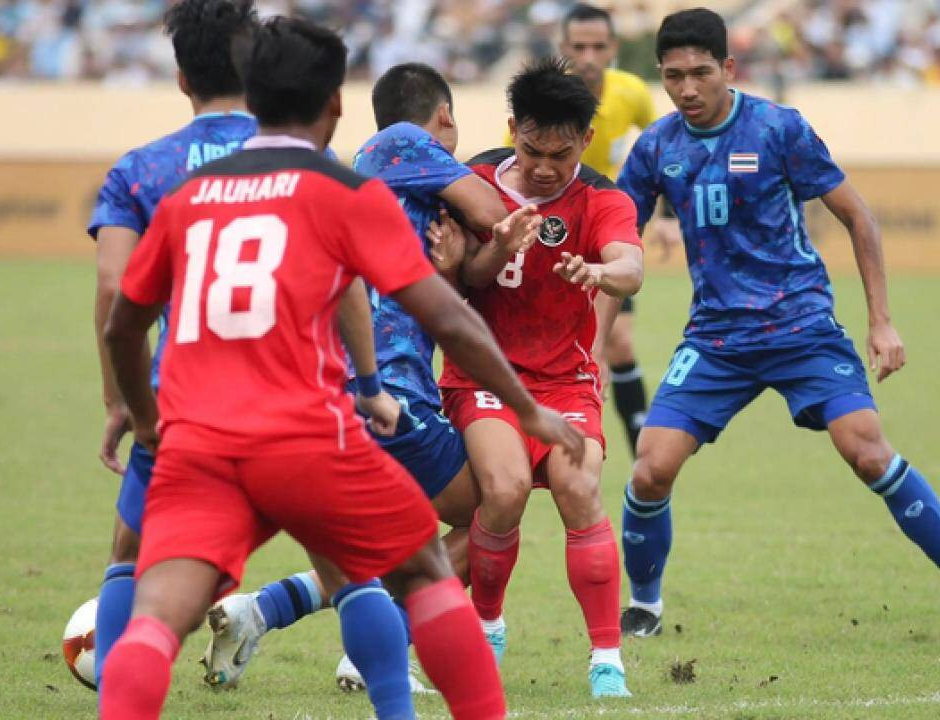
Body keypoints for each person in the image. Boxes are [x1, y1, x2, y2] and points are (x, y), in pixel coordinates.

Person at [99, 16, 585, 720]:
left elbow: (122, 322)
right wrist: (527, 406)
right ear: (334, 105)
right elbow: (447, 317)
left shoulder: (188, 199)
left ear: (252, 98)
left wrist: (143, 418)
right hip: (306, 436)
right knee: (419, 570)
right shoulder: (344, 191)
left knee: (155, 618)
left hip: (197, 441)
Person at [614, 8, 940, 642]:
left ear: (728, 69)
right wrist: (594, 325)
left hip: (801, 326)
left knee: (868, 453)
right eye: (673, 76)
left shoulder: (778, 129)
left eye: (699, 73)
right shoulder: (656, 147)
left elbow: (859, 217)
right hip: (715, 339)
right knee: (649, 470)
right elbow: (618, 242)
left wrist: (880, 323)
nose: (687, 89)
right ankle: (644, 609)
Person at [199, 61, 512, 696]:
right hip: (387, 388)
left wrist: (456, 263)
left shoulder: (369, 174)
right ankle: (378, 649)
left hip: (332, 385)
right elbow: (491, 207)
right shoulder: (405, 140)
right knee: (486, 508)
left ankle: (258, 610)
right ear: (443, 117)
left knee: (383, 535)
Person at [441, 57, 644, 698]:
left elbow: (631, 265)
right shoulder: (472, 182)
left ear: (586, 140)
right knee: (500, 492)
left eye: (560, 152)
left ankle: (606, 658)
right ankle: (489, 624)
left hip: (565, 382)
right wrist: (496, 246)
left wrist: (601, 275)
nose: (545, 167)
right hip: (485, 378)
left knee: (577, 483)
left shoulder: (603, 199)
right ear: (512, 130)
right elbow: (463, 275)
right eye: (532, 150)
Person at [86, 0, 258, 688]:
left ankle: (117, 689)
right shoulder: (306, 159)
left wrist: (122, 400)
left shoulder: (143, 169)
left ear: (182, 77)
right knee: (359, 559)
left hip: (184, 397)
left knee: (134, 545)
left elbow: (113, 290)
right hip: (299, 398)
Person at [558, 2, 657, 451]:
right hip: (555, 237)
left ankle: (641, 449)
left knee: (617, 344)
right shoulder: (546, 98)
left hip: (605, 231)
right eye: (579, 47)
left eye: (599, 46)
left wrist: (670, 218)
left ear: (613, 47)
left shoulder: (631, 92)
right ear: (563, 48)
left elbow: (665, 151)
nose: (589, 57)